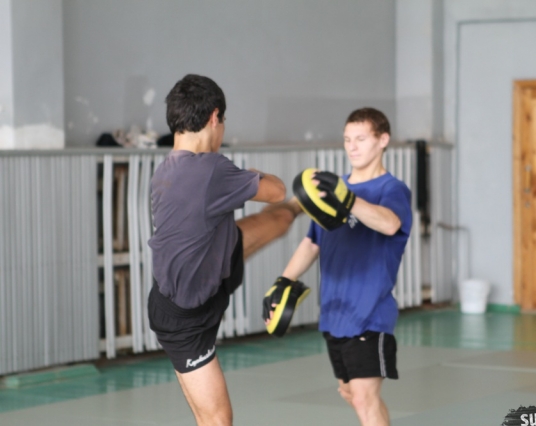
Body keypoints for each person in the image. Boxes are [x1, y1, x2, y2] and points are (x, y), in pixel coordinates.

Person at [147, 74, 300, 426]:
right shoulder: (211, 169)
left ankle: (302, 207)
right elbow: (277, 190)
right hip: (187, 319)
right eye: (224, 121)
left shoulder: (167, 169)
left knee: (278, 220)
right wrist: (253, 173)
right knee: (216, 420)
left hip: (215, 257)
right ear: (215, 117)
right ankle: (300, 206)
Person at [269, 107, 412, 426]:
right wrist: (284, 281)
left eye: (361, 138)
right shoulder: (332, 191)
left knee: (363, 398)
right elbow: (313, 242)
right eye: (347, 139)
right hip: (335, 312)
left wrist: (349, 200)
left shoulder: (391, 189)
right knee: (350, 393)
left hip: (371, 312)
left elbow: (390, 223)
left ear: (383, 140)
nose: (352, 146)